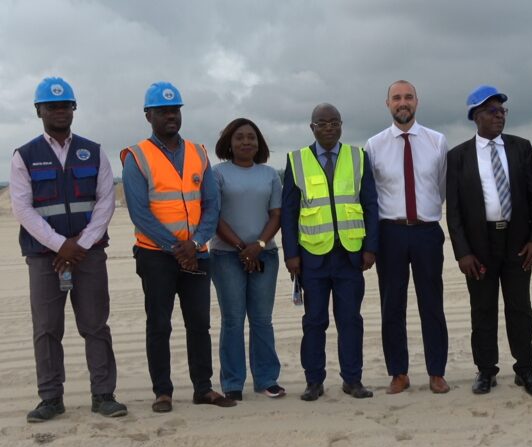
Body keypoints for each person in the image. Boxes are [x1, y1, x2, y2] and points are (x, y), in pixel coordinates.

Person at [10, 77, 127, 422]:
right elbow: (23, 209)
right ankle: (51, 398)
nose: (60, 111)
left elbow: (106, 202)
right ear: (39, 111)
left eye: (65, 105)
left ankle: (104, 394)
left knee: (95, 324)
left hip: (88, 255)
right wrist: (62, 245)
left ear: (73, 109)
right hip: (44, 257)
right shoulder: (25, 156)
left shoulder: (94, 151)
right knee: (46, 328)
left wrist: (81, 245)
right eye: (52, 106)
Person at [122, 81, 235, 412]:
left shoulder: (199, 153)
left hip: (197, 253)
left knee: (199, 322)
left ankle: (203, 388)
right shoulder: (137, 157)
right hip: (156, 255)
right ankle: (163, 392)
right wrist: (176, 247)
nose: (171, 116)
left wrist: (197, 242)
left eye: (175, 110)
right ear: (148, 116)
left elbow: (211, 204)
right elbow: (140, 212)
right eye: (162, 111)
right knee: (159, 323)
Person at [446, 85, 532, 398]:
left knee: (520, 309)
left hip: (517, 242)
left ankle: (525, 369)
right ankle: (486, 370)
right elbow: (455, 210)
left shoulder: (520, 147)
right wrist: (462, 252)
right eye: (491, 111)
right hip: (479, 245)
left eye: (502, 110)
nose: (499, 116)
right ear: (475, 116)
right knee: (483, 310)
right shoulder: (458, 156)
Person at [281, 103, 379, 401]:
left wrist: (371, 247)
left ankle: (353, 379)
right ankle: (314, 381)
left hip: (350, 255)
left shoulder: (358, 157)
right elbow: (289, 212)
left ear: (341, 125)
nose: (329, 127)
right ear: (312, 127)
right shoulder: (296, 160)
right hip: (312, 257)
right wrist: (291, 255)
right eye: (322, 123)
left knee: (350, 319)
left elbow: (370, 204)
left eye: (334, 122)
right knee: (314, 321)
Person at [365, 80, 450, 395]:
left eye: (408, 97)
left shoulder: (437, 141)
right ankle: (398, 372)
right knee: (392, 304)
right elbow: (371, 195)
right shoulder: (374, 145)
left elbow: (441, 187)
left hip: (427, 231)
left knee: (432, 303)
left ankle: (436, 372)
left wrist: (427, 214)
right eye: (397, 98)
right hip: (390, 233)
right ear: (387, 104)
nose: (403, 102)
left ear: (417, 102)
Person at [210, 118, 284, 401]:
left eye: (251, 137)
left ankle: (267, 379)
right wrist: (243, 247)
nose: (246, 142)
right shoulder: (217, 174)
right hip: (226, 256)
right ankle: (232, 382)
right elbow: (214, 216)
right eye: (239, 137)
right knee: (232, 320)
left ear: (259, 142)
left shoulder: (269, 175)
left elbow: (276, 214)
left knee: (262, 320)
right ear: (229, 142)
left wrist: (259, 245)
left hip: (265, 255)